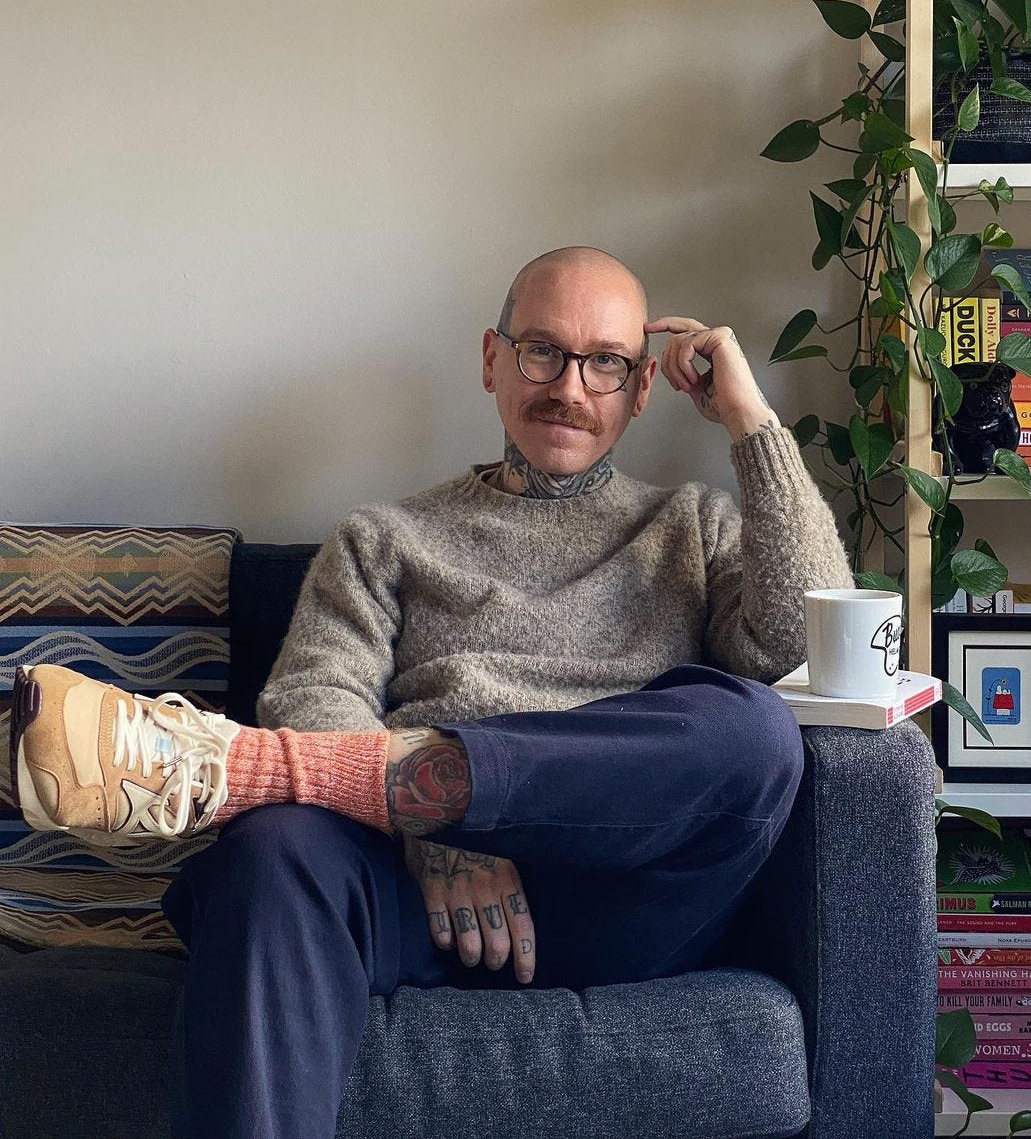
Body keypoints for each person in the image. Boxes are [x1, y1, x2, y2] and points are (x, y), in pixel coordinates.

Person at [10, 245, 854, 1139]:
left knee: (756, 732)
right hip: (415, 895)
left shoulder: (692, 525)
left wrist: (749, 417)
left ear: (643, 387)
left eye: (605, 362)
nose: (569, 387)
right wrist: (428, 834)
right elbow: (312, 692)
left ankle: (250, 766)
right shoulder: (385, 537)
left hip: (621, 896)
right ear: (492, 360)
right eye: (542, 351)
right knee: (274, 850)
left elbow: (805, 647)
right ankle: (384, 788)